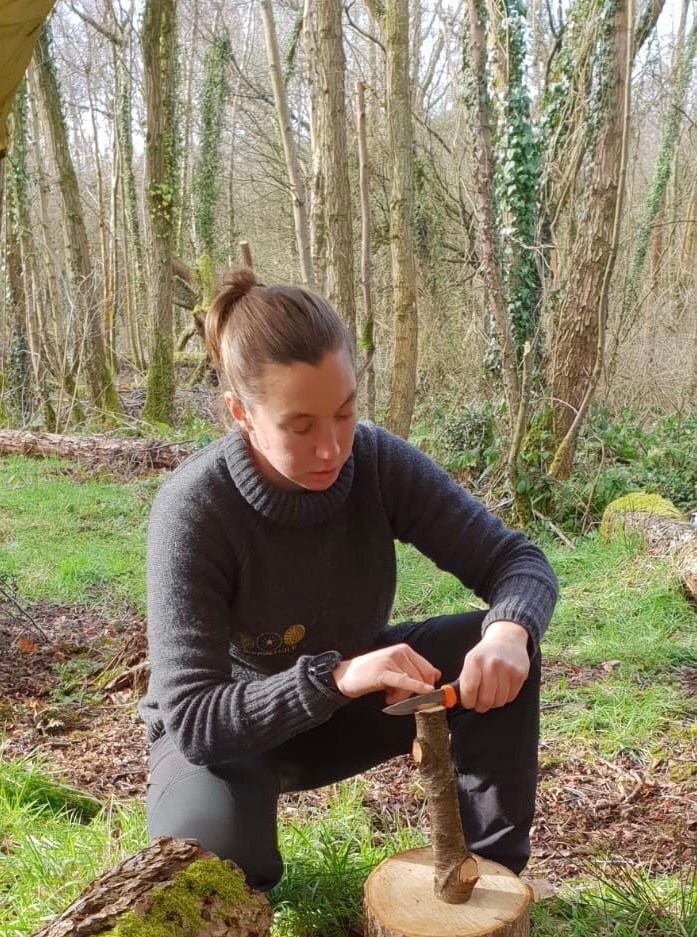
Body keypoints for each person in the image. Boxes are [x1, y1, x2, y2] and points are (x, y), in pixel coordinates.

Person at [139, 269, 558, 903]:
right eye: (300, 426)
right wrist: (337, 677)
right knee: (207, 867)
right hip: (230, 733)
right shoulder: (195, 511)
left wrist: (509, 630)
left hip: (345, 709)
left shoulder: (377, 462)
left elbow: (517, 561)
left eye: (344, 411)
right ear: (241, 415)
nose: (332, 447)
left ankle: (490, 886)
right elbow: (195, 720)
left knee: (497, 646)